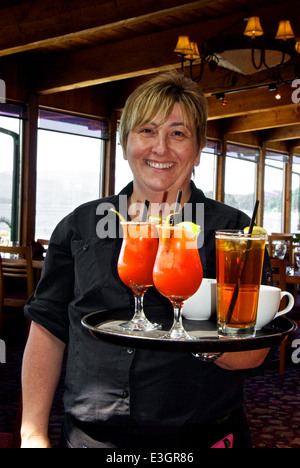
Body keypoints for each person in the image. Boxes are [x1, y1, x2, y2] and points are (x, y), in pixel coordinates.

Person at [21, 71, 271, 449]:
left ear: (198, 148)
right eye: (147, 131)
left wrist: (202, 335)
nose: (160, 148)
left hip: (201, 436)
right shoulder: (80, 225)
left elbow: (254, 353)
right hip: (91, 438)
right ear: (125, 144)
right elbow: (47, 330)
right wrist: (33, 432)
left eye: (178, 133)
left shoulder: (235, 234)